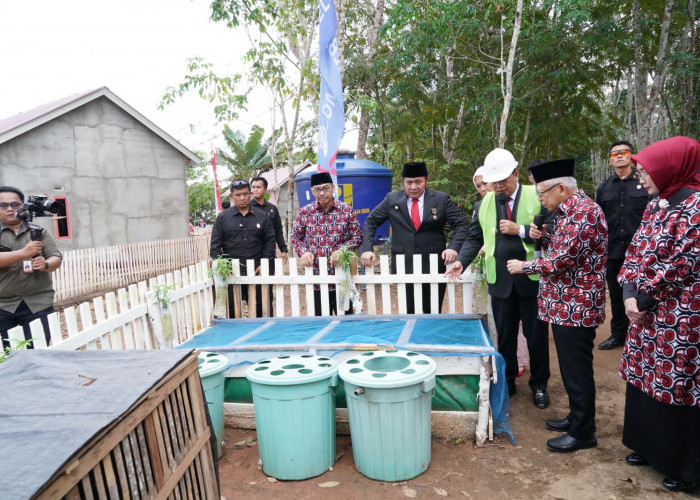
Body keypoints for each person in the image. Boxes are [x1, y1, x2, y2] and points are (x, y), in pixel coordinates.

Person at [617, 136, 700, 492]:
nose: (641, 179)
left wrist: (645, 296)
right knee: (644, 378)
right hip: (645, 313)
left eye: (646, 172)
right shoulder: (657, 204)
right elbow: (635, 251)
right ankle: (648, 447)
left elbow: (683, 262)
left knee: (675, 383)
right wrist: (629, 293)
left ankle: (682, 465)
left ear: (670, 168)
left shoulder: (695, 207)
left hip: (679, 316)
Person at [507, 158, 607, 452]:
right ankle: (577, 418)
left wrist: (523, 266)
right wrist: (544, 235)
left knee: (577, 370)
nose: (540, 199)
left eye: (542, 193)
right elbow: (565, 246)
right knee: (570, 367)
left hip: (576, 306)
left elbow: (562, 260)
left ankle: (583, 432)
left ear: (561, 188)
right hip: (564, 305)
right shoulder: (567, 212)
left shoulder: (583, 214)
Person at [446, 149, 550, 409]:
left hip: (532, 278)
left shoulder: (536, 196)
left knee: (536, 336)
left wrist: (521, 230)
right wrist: (462, 260)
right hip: (500, 280)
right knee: (506, 334)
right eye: (494, 182)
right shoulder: (483, 205)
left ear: (516, 174)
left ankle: (539, 385)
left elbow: (553, 234)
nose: (499, 186)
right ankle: (508, 382)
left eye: (503, 179)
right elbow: (474, 238)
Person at [361, 161, 468, 314]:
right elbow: (371, 221)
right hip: (404, 263)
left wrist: (453, 248)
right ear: (403, 182)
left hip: (434, 263)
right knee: (407, 310)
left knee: (432, 309)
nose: (413, 187)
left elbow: (461, 224)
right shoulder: (392, 199)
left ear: (426, 180)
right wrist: (367, 249)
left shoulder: (441, 199)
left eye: (418, 182)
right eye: (409, 182)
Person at [595, 141, 649, 350]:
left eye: (623, 152)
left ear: (631, 156)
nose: (619, 156)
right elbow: (599, 221)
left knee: (644, 295)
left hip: (642, 253)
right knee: (617, 297)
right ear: (610, 160)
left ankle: (643, 337)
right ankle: (619, 336)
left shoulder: (644, 183)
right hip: (614, 251)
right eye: (614, 154)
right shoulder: (604, 188)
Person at [0, 186, 63, 348]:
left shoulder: (38, 232)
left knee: (38, 352)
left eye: (15, 205)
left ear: (23, 206)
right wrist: (23, 253)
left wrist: (46, 264)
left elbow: (56, 257)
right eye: (3, 205)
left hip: (38, 302)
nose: (9, 209)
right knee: (9, 356)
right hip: (3, 306)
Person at [291, 172, 362, 315]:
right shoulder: (304, 213)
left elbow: (357, 236)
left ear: (333, 188)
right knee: (320, 320)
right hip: (317, 277)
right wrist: (303, 251)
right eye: (317, 190)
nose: (322, 193)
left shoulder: (346, 210)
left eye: (326, 188)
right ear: (312, 191)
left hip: (342, 275)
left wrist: (343, 250)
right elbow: (295, 238)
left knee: (345, 320)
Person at [210, 179, 276, 318]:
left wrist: (264, 262)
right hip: (232, 273)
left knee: (262, 308)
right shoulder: (223, 218)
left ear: (250, 194)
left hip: (258, 270)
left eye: (245, 194)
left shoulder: (262, 216)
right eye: (238, 195)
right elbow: (215, 246)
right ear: (231, 196)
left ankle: (263, 337)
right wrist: (223, 266)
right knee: (234, 311)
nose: (242, 198)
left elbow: (270, 241)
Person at [251, 176, 288, 265]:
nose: (255, 190)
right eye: (253, 187)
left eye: (258, 187)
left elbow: (278, 231)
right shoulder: (247, 208)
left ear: (265, 190)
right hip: (251, 252)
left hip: (269, 251)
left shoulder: (272, 209)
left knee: (270, 275)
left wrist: (283, 250)